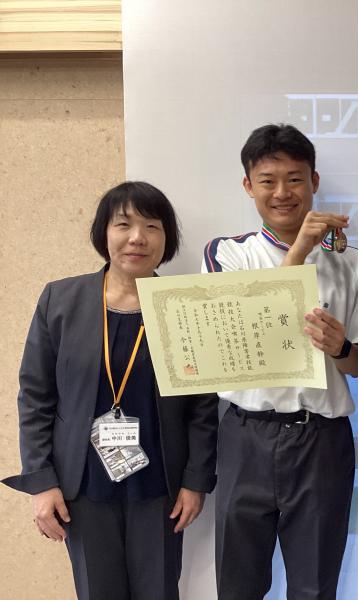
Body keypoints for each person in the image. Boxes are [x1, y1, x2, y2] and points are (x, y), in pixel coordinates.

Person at [2, 181, 219, 600]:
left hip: (160, 489)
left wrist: (196, 482)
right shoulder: (60, 301)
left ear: (167, 239)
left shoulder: (184, 306)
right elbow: (35, 397)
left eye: (152, 226)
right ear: (103, 232)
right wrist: (42, 483)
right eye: (123, 224)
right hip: (83, 489)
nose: (137, 237)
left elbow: (202, 407)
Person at [203, 123, 358, 600]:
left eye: (295, 179)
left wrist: (340, 348)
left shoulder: (354, 261)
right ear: (248, 186)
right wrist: (300, 250)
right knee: (238, 585)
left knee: (314, 587)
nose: (282, 192)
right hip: (245, 434)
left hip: (322, 439)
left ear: (314, 181)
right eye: (268, 180)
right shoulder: (226, 253)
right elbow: (244, 335)